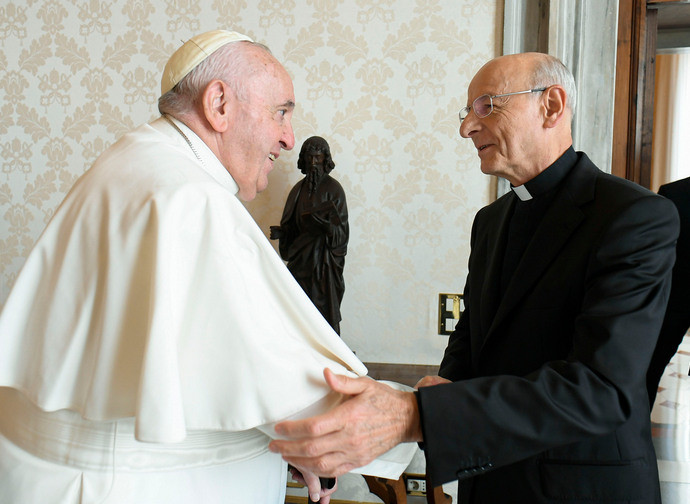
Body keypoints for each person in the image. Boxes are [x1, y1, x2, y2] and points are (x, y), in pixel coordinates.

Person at [0, 30, 413, 504]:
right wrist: (413, 417)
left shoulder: (138, 159)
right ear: (219, 104)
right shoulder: (190, 197)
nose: (288, 137)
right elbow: (284, 377)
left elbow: (215, 358)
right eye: (281, 112)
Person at [269, 52, 681, 504]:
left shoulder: (635, 217)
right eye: (467, 112)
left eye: (486, 106)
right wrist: (374, 424)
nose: (466, 128)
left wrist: (418, 415)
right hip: (489, 480)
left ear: (552, 105)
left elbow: (600, 390)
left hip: (584, 489)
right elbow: (471, 340)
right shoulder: (490, 221)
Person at [270, 136, 348, 334]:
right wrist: (283, 232)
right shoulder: (297, 191)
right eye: (310, 158)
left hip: (324, 267)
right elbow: (291, 226)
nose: (314, 163)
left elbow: (342, 234)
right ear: (303, 160)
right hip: (301, 265)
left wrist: (328, 228)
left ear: (325, 159)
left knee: (324, 317)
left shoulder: (334, 190)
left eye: (318, 158)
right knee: (298, 312)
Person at [647, 175, 690, 405]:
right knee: (647, 372)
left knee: (647, 373)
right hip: (670, 304)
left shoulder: (674, 193)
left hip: (670, 301)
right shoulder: (673, 194)